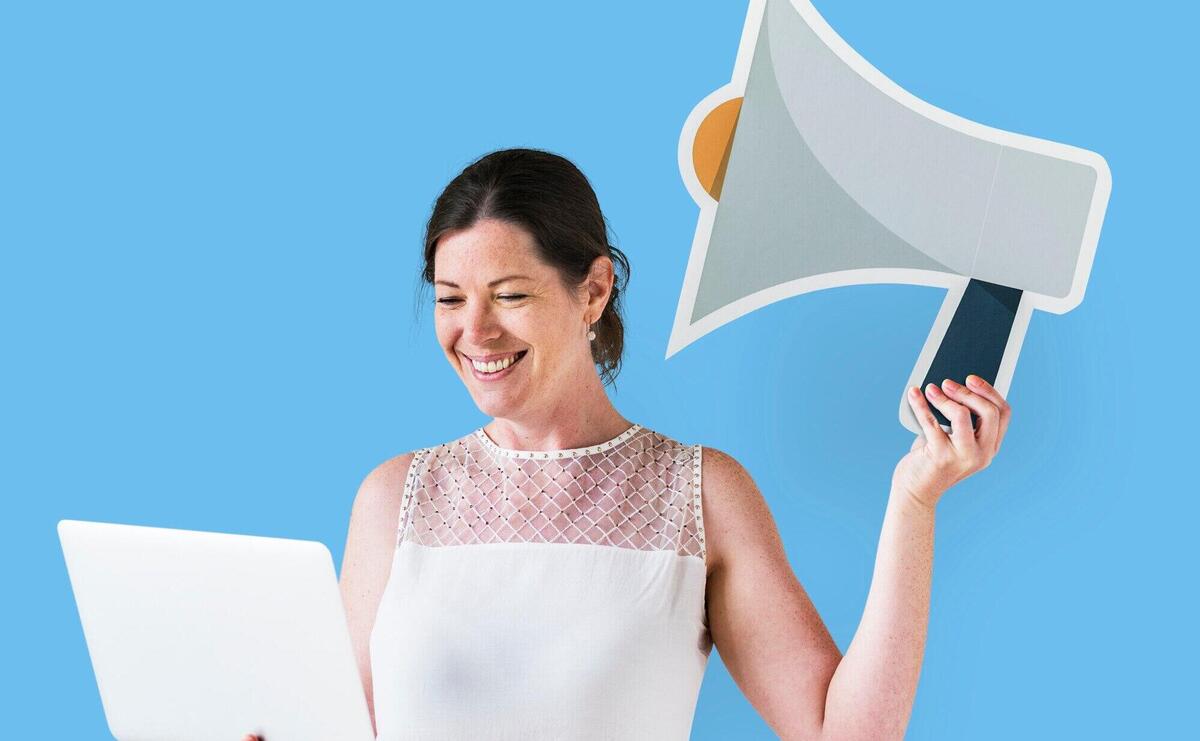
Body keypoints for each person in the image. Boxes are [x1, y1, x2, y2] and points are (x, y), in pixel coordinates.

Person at [242, 147, 1010, 741]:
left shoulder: (701, 493)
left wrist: (914, 499)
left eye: (509, 295)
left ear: (594, 289)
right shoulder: (393, 499)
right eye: (450, 299)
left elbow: (845, 732)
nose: (473, 332)